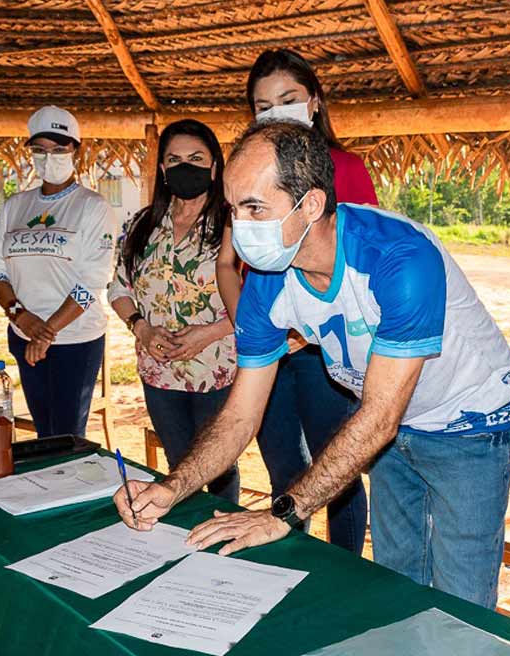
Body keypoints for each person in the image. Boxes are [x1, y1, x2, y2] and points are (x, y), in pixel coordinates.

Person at [114, 121, 510, 609]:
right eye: (233, 209)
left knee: (462, 593)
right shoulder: (268, 280)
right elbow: (240, 416)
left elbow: (377, 418)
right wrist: (171, 488)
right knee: (395, 579)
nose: (239, 226)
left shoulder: (398, 258)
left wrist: (282, 512)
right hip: (392, 424)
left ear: (309, 204)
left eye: (254, 208)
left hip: (468, 422)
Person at [214, 48, 376, 554]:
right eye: (263, 106)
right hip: (269, 350)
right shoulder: (248, 175)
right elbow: (228, 262)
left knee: (338, 473)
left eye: (287, 100)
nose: (275, 112)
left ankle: (345, 570)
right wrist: (259, 332)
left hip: (322, 350)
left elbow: (358, 266)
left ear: (315, 103)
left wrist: (301, 333)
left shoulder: (346, 167)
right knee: (284, 468)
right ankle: (293, 570)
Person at [107, 119, 239, 503]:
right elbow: (118, 288)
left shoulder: (235, 224)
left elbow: (258, 300)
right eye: (175, 159)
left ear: (215, 167)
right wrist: (141, 328)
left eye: (196, 158)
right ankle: (187, 542)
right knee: (178, 464)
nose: (185, 167)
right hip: (158, 372)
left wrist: (209, 333)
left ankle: (221, 539)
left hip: (218, 370)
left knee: (218, 466)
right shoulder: (142, 225)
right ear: (163, 169)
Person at [0, 106, 115, 438]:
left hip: (74, 339)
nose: (49, 157)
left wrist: (47, 332)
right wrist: (21, 317)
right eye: (40, 150)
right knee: (45, 433)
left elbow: (93, 280)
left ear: (76, 150)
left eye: (59, 149)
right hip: (23, 334)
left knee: (67, 438)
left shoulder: (92, 206)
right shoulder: (15, 206)